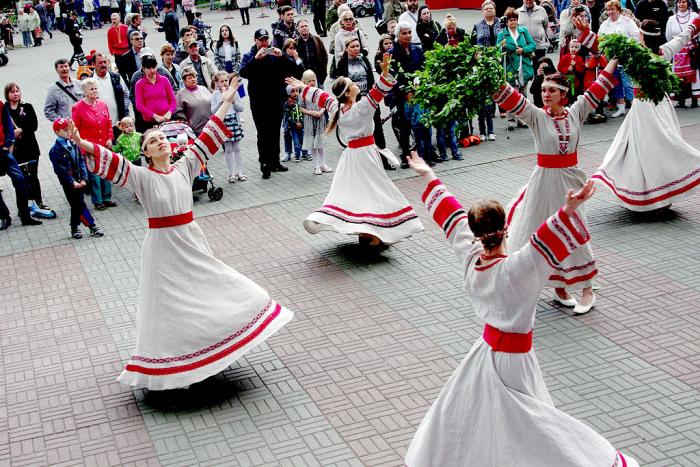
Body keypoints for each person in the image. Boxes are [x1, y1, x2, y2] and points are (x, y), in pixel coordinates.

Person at [403, 155, 641, 467]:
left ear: (476, 233)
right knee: (532, 422)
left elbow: (452, 219)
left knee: (472, 417)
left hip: (484, 354)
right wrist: (569, 208)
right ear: (505, 227)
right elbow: (546, 237)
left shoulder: (470, 257)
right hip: (516, 361)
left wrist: (429, 174)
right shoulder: (517, 268)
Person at [67, 78, 294, 390]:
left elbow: (208, 135)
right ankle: (176, 365)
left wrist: (226, 100)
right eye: (153, 140)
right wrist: (80, 141)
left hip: (190, 239)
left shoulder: (185, 166)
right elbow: (111, 161)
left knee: (209, 289)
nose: (160, 141)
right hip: (161, 248)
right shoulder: (141, 177)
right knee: (170, 305)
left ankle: (211, 349)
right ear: (145, 152)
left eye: (163, 138)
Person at [494, 54, 619, 313]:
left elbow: (600, 84)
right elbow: (510, 97)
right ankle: (558, 287)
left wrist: (616, 57)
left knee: (574, 230)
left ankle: (587, 289)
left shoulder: (576, 112)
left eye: (551, 90)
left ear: (564, 94)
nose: (545, 94)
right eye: (542, 90)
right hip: (543, 182)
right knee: (534, 230)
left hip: (571, 182)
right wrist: (487, 75)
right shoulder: (537, 117)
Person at [287, 53, 424, 248]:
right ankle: (373, 232)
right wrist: (384, 73)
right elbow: (379, 90)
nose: (355, 84)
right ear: (349, 93)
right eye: (352, 83)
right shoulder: (362, 108)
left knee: (356, 192)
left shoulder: (337, 109)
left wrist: (303, 87)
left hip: (351, 157)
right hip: (366, 155)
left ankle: (367, 232)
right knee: (375, 190)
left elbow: (324, 97)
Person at [590, 16, 700, 211]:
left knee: (642, 151)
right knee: (658, 148)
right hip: (661, 105)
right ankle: (660, 194)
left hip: (643, 109)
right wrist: (697, 20)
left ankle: (649, 193)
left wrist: (585, 33)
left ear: (642, 35)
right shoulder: (663, 51)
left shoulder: (634, 56)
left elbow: (605, 47)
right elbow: (684, 36)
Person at [239, 28, 293, 179]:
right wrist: (255, 59)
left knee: (275, 131)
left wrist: (282, 56)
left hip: (275, 100)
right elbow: (243, 72)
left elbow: (291, 68)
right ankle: (265, 164)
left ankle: (275, 161)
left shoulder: (273, 55)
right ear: (255, 40)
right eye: (261, 40)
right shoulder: (249, 56)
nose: (264, 43)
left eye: (266, 39)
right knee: (263, 133)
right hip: (259, 102)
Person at [335, 36, 394, 170]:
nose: (356, 49)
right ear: (347, 49)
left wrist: (374, 99)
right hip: (354, 101)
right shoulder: (342, 64)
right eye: (353, 47)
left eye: (357, 46)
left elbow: (372, 80)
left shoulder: (364, 60)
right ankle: (366, 163)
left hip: (369, 99)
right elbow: (341, 85)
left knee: (378, 130)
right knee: (362, 132)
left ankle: (384, 160)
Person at [48, 118, 104, 239]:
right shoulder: (55, 150)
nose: (69, 133)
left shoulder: (73, 144)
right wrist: (71, 181)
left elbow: (81, 162)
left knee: (77, 205)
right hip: (69, 183)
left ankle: (75, 227)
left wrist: (84, 178)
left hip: (79, 180)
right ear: (57, 132)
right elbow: (60, 170)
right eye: (65, 130)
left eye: (70, 130)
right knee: (79, 204)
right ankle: (91, 226)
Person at [72, 78, 116, 211]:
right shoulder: (78, 107)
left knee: (106, 172)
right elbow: (75, 129)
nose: (95, 91)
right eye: (91, 89)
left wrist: (109, 138)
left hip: (104, 145)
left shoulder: (102, 104)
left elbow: (109, 122)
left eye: (96, 88)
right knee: (95, 174)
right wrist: (81, 144)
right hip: (89, 147)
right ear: (84, 91)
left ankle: (107, 198)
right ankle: (98, 201)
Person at [4, 82, 49, 212]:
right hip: (14, 150)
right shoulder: (4, 109)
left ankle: (38, 202)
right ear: (7, 94)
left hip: (30, 147)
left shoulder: (27, 106)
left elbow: (33, 125)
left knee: (33, 176)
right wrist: (12, 134)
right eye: (12, 92)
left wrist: (21, 130)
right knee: (19, 179)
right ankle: (24, 207)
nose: (16, 94)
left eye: (17, 91)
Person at [0, 100, 42, 229]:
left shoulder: (0, 105)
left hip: (4, 151)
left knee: (20, 181)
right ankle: (4, 216)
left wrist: (8, 144)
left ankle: (25, 215)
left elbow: (8, 124)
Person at [391, 21, 426, 168]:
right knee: (405, 126)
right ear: (398, 35)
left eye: (409, 32)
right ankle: (406, 155)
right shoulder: (392, 53)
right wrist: (405, 91)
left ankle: (422, 153)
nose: (408, 35)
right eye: (404, 33)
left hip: (418, 92)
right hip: (403, 95)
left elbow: (424, 68)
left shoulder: (417, 49)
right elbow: (392, 76)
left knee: (420, 123)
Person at [497, 8, 536, 131]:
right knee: (513, 94)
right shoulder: (502, 34)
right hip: (510, 68)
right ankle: (511, 120)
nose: (513, 22)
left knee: (523, 95)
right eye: (510, 20)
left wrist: (523, 50)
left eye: (514, 19)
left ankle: (522, 119)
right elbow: (497, 50)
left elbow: (532, 45)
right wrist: (502, 47)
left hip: (523, 67)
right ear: (506, 22)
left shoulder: (523, 31)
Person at [599, 0, 640, 117]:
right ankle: (621, 107)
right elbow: (600, 39)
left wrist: (625, 45)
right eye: (608, 10)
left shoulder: (627, 21)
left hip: (626, 56)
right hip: (611, 58)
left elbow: (635, 37)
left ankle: (634, 107)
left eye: (613, 9)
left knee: (628, 82)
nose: (610, 12)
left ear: (618, 10)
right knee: (616, 83)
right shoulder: (605, 24)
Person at [472, 1, 503, 142]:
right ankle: (485, 123)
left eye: (491, 8)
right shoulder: (477, 26)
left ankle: (493, 112)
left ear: (495, 10)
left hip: (498, 60)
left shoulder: (502, 23)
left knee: (496, 87)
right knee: (485, 91)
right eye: (486, 9)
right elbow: (472, 43)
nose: (489, 10)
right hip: (483, 62)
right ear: (482, 11)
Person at [211, 71, 246, 183]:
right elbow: (213, 111)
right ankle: (231, 173)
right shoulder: (215, 95)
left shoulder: (234, 93)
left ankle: (239, 171)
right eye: (221, 81)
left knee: (237, 148)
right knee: (228, 149)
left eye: (226, 80)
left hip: (234, 121)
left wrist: (234, 101)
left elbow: (241, 108)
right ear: (217, 83)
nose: (224, 83)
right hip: (223, 123)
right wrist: (221, 101)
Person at [666, 0, 699, 108]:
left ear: (688, 3)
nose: (681, 4)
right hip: (678, 51)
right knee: (678, 76)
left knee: (693, 75)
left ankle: (694, 100)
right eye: (679, 2)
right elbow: (668, 35)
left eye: (684, 2)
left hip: (691, 50)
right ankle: (681, 100)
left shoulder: (694, 16)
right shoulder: (672, 19)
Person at [299, 70, 332, 175]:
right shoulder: (303, 94)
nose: (312, 83)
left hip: (319, 120)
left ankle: (323, 164)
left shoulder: (319, 91)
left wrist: (321, 111)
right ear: (304, 82)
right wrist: (310, 112)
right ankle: (316, 165)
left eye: (313, 80)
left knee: (320, 143)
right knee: (313, 144)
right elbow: (301, 107)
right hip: (309, 120)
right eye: (309, 81)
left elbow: (325, 103)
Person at [92, 52, 131, 139]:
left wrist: (124, 108)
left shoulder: (116, 77)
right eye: (100, 63)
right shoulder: (90, 81)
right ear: (93, 65)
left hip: (119, 124)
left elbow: (127, 94)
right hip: (101, 127)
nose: (103, 65)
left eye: (105, 62)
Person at [134, 54, 177, 130]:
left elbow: (172, 100)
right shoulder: (139, 84)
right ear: (143, 69)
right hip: (150, 122)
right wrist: (154, 116)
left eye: (154, 67)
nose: (152, 70)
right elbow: (139, 105)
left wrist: (169, 112)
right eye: (149, 68)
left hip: (166, 119)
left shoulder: (164, 80)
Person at [175, 66, 213, 134]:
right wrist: (188, 123)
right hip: (196, 130)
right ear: (184, 81)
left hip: (211, 127)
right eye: (189, 78)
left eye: (194, 77)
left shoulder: (204, 88)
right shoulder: (180, 94)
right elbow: (178, 113)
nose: (193, 79)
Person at [296, 19, 329, 87]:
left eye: (306, 26)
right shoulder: (295, 42)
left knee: (319, 94)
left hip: (317, 74)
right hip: (302, 75)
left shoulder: (317, 40)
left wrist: (323, 70)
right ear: (298, 29)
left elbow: (324, 56)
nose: (304, 28)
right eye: (302, 27)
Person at [281, 85, 307, 163]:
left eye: (296, 91)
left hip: (300, 123)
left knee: (301, 138)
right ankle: (288, 152)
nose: (295, 93)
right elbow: (287, 113)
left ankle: (304, 152)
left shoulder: (300, 100)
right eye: (293, 92)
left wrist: (301, 122)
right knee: (287, 133)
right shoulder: (288, 102)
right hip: (291, 122)